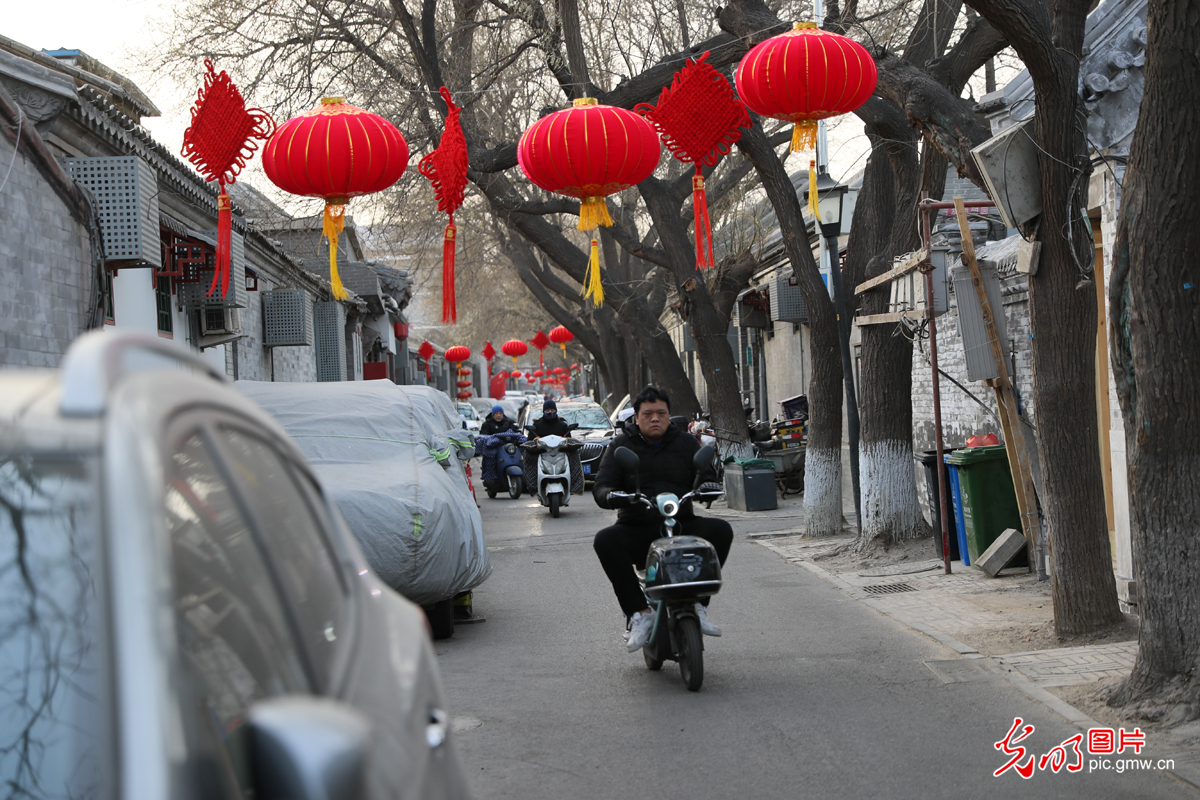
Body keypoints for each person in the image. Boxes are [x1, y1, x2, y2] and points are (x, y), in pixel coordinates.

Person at [592, 386, 732, 652]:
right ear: (636, 416)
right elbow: (602, 486)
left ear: (669, 415)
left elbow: (707, 475)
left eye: (661, 413)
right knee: (605, 540)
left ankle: (700, 605)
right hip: (637, 526)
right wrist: (613, 496)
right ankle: (640, 614)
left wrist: (708, 487)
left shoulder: (686, 442)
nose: (654, 418)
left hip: (681, 525)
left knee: (721, 530)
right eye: (648, 414)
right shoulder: (620, 445)